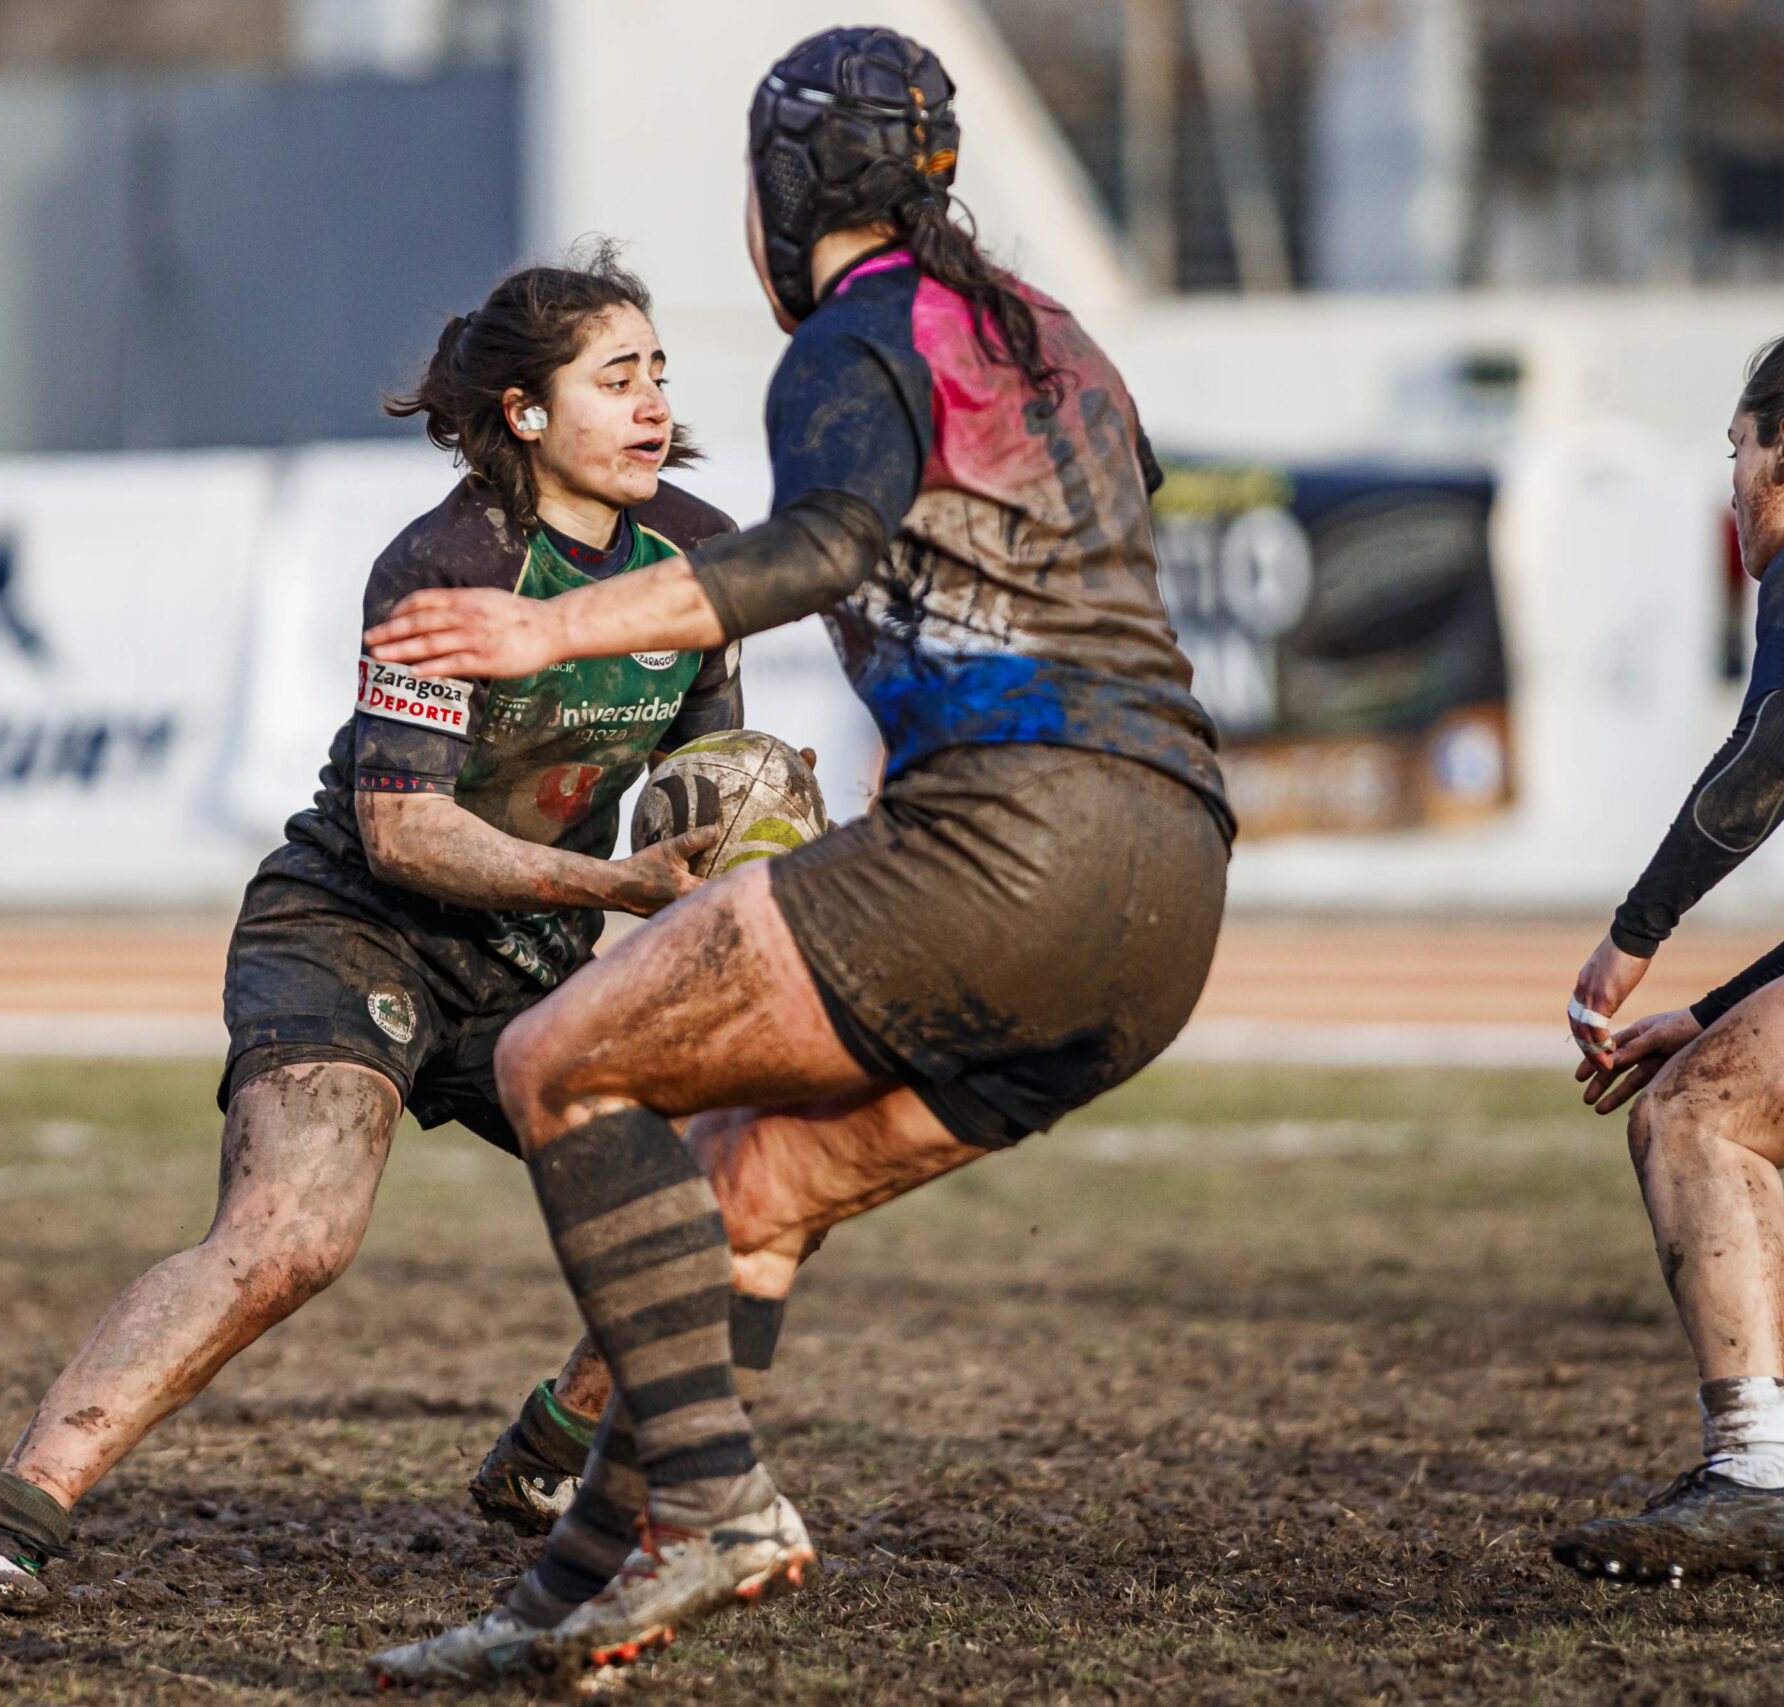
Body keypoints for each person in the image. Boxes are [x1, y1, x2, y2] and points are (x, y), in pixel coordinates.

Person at [365, 27, 1230, 1685]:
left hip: (1010, 846)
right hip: (1173, 888)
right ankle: (561, 1595)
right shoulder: (1055, 336)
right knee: (753, 1190)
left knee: (557, 1057)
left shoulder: (855, 336)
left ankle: (721, 1500)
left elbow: (820, 545)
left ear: (780, 194)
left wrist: (550, 632)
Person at [0, 250, 745, 1612]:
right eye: (615, 376)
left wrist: (753, 836)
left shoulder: (698, 552)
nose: (652, 403)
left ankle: (552, 1449)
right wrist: (617, 890)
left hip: (529, 960)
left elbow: (718, 776)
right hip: (356, 928)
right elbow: (405, 828)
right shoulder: (446, 560)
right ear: (524, 412)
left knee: (738, 1169)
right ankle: (3, 1517)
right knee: (291, 1230)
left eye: (659, 374)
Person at [1549, 326, 1784, 1586]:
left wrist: (1633, 941)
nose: (1731, 485)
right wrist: (1723, 1002)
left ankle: (1758, 1477)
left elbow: (1770, 755)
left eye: (1734, 449)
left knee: (1696, 1115)